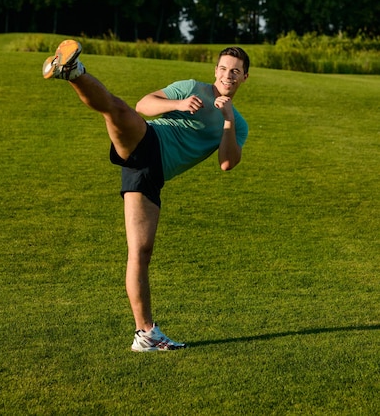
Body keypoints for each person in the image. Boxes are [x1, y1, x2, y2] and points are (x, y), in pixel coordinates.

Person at [42, 39, 249, 351]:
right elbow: (144, 105)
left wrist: (229, 118)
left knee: (140, 252)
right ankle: (73, 72)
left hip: (149, 174)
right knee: (118, 110)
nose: (227, 75)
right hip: (149, 140)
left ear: (244, 77)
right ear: (215, 70)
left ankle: (146, 334)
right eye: (222, 69)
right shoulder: (192, 87)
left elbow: (227, 162)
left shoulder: (238, 124)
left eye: (235, 72)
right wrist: (177, 104)